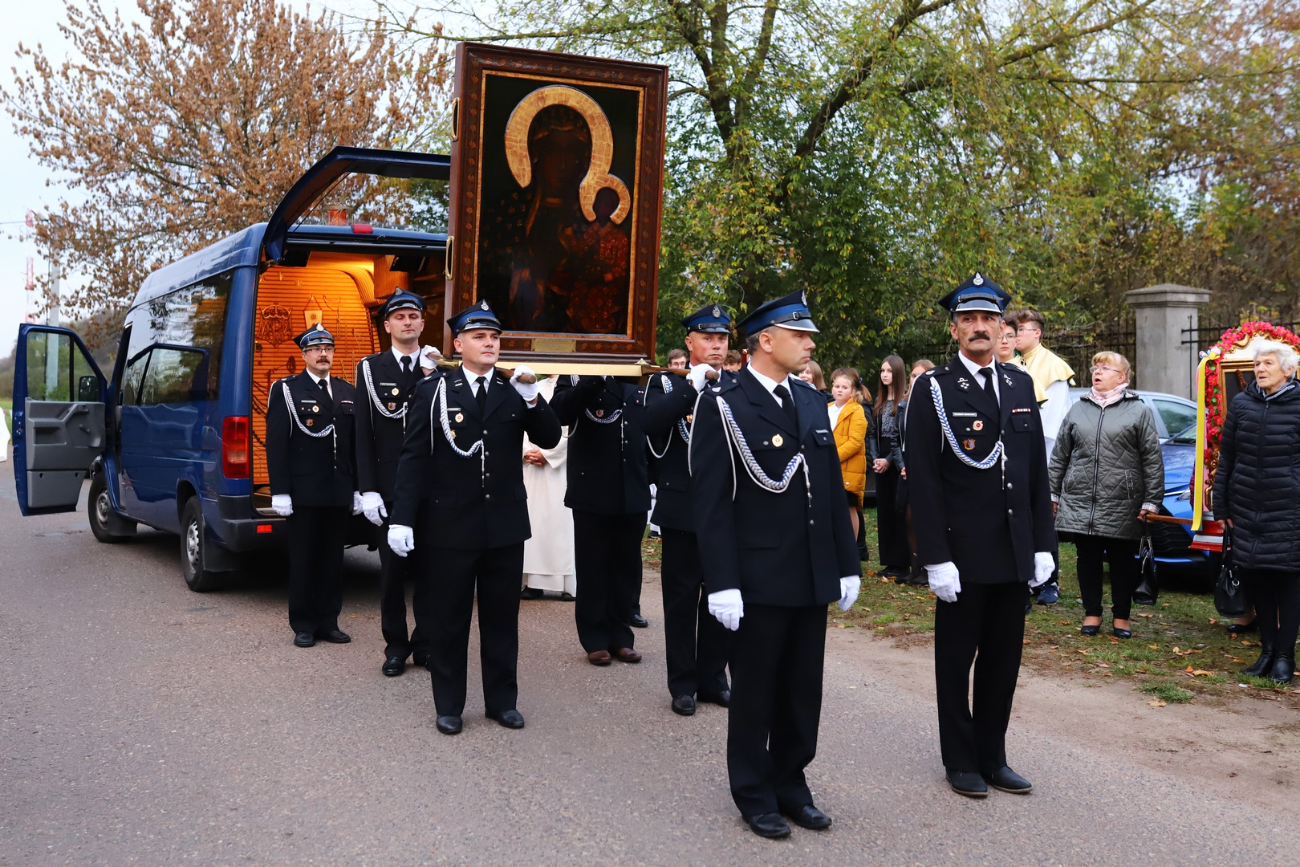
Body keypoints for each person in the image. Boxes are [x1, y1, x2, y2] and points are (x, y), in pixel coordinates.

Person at [691, 289, 861, 839]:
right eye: (800, 334)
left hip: (810, 572)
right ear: (766, 341)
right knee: (757, 691)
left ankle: (791, 783)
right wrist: (722, 582)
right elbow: (712, 502)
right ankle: (754, 791)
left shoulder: (812, 401)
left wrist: (846, 562)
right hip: (758, 576)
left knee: (801, 690)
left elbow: (830, 489)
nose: (810, 344)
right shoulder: (725, 401)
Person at [904, 273, 1056, 799]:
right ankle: (960, 759)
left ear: (1002, 328)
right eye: (968, 320)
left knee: (1002, 661)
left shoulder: (1018, 384)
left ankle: (993, 756)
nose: (979, 328)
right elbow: (923, 479)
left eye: (988, 319)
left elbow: (1035, 472)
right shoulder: (934, 389)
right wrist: (935, 557)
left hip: (1013, 549)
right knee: (956, 660)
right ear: (953, 331)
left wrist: (1043, 545)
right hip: (963, 553)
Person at [386, 301, 562, 734]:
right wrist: (402, 518)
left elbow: (551, 436)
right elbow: (414, 458)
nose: (489, 343)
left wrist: (532, 396)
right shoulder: (435, 391)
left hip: (503, 526)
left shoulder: (512, 391)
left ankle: (502, 702)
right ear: (459, 343)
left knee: (502, 619)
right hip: (451, 526)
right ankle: (449, 703)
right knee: (449, 620)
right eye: (480, 337)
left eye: (495, 337)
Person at [642, 303, 736, 716]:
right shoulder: (667, 384)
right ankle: (682, 682)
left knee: (722, 595)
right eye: (707, 338)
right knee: (680, 600)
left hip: (728, 509)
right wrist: (690, 387)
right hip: (682, 506)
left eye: (722, 338)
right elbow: (650, 423)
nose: (715, 345)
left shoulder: (737, 385)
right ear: (690, 342)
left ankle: (714, 677)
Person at [1048, 352, 1163, 639]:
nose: (1097, 372)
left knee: (1122, 559)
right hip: (1081, 497)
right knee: (1087, 557)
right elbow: (1060, 454)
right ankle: (1092, 613)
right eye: (1094, 367)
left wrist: (1151, 500)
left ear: (1122, 377)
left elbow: (1151, 458)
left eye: (1105, 368)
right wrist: (1052, 492)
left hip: (1122, 499)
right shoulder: (1078, 408)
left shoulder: (1139, 410)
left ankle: (1121, 616)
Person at [354, 291, 436, 677]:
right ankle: (395, 646)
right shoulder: (370, 368)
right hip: (388, 487)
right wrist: (367, 488)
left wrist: (430, 375)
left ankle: (425, 643)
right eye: (399, 316)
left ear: (422, 323)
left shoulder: (440, 367)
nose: (407, 321)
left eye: (413, 315)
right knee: (391, 574)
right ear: (387, 325)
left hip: (433, 487)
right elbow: (362, 433)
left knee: (430, 569)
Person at [265, 324, 360, 648]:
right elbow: (277, 444)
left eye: (328, 348)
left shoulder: (348, 391)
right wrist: (280, 490)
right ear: (304, 354)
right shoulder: (287, 390)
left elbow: (355, 445)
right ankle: (303, 623)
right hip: (304, 494)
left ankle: (329, 621)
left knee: (333, 560)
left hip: (337, 492)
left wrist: (359, 488)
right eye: (316, 349)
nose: (323, 354)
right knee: (304, 559)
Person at [1212, 338, 1300, 684]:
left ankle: (1284, 656)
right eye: (1257, 364)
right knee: (1257, 577)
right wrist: (1222, 504)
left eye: (1267, 364)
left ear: (1288, 370)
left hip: (1289, 508)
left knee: (1289, 581)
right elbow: (1228, 456)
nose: (1259, 370)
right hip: (1247, 505)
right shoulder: (1243, 404)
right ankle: (1266, 652)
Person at [550, 367, 652, 663]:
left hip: (632, 486)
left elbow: (652, 426)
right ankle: (595, 638)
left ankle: (621, 636)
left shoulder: (639, 374)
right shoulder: (575, 375)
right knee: (593, 566)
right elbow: (560, 413)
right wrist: (593, 378)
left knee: (625, 566)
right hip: (592, 489)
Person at [1012, 308, 1073, 605]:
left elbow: (1055, 422)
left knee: (1042, 517)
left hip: (1042, 454)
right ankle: (1021, 575)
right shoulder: (1012, 362)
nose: (1017, 334)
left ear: (1037, 332)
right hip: (1013, 455)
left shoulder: (1054, 367)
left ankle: (1050, 580)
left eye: (1022, 329)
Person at [521, 375, 576, 599]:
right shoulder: (533, 386)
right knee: (534, 522)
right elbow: (521, 422)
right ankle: (533, 582)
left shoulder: (572, 387)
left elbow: (573, 428)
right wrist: (527, 451)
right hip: (531, 466)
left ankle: (567, 584)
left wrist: (549, 453)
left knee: (561, 523)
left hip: (561, 467)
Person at [894, 360, 933, 586]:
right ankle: (915, 568)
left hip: (925, 466)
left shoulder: (935, 403)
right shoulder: (903, 405)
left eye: (921, 375)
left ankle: (929, 568)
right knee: (908, 517)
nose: (916, 379)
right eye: (913, 375)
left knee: (924, 518)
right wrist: (902, 465)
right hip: (907, 465)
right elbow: (896, 439)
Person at [871, 355, 909, 580]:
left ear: (897, 373)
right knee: (884, 510)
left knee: (899, 511)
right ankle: (890, 562)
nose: (884, 374)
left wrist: (888, 460)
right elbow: (872, 434)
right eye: (882, 370)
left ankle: (903, 562)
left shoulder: (904, 402)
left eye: (889, 371)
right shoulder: (879, 401)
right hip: (881, 461)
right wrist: (876, 458)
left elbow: (900, 439)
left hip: (897, 460)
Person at [828, 367, 868, 540]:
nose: (840, 390)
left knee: (848, 508)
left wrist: (832, 457)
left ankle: (852, 549)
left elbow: (855, 442)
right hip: (829, 468)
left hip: (848, 468)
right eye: (837, 386)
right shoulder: (827, 408)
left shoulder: (857, 410)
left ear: (852, 392)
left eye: (844, 387)